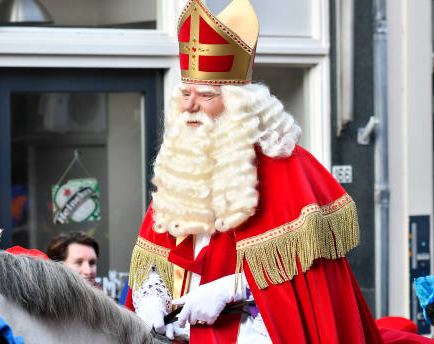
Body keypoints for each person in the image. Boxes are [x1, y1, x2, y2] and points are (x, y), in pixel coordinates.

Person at [125, 0, 383, 343]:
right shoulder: (178, 168)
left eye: (205, 94)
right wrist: (151, 299)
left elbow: (308, 274)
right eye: (185, 92)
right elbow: (155, 258)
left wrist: (227, 289)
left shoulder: (286, 165)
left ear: (237, 104)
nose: (189, 106)